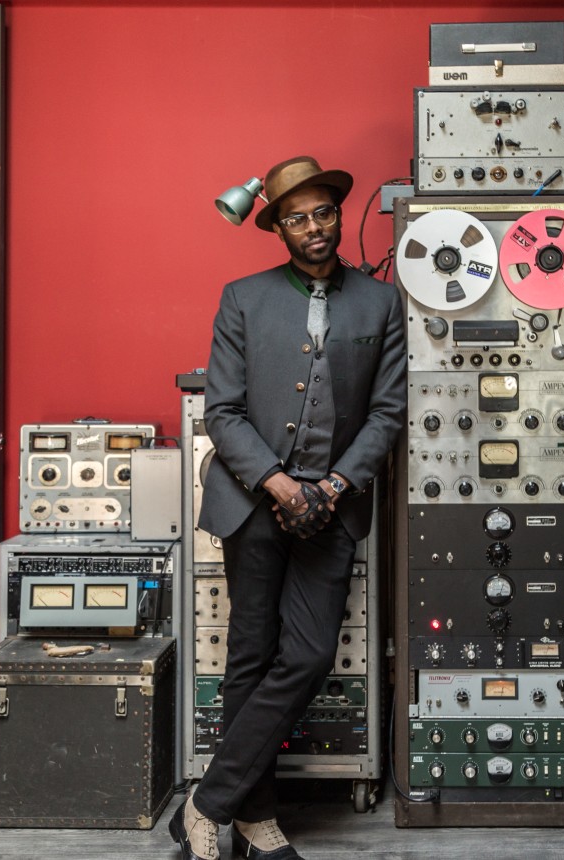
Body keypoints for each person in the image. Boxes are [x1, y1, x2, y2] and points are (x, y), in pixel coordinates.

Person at [169, 156, 406, 860]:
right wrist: (279, 485)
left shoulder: (380, 303)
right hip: (252, 503)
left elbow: (388, 414)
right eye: (297, 218)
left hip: (333, 508)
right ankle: (254, 816)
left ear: (338, 214)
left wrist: (330, 489)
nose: (314, 228)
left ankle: (208, 802)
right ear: (276, 227)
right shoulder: (242, 298)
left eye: (324, 213)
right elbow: (224, 411)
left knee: (306, 656)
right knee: (249, 657)